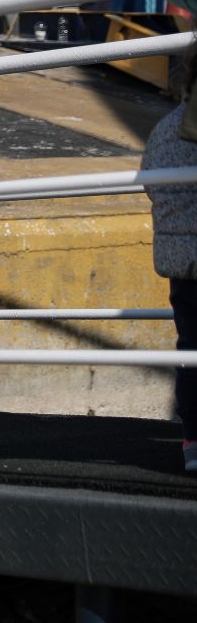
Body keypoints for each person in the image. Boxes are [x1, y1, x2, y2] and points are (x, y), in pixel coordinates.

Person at [139, 100, 197, 474]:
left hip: (183, 265)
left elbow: (150, 182)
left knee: (191, 351)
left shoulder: (166, 126)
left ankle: (193, 440)